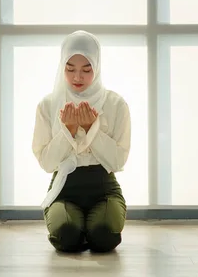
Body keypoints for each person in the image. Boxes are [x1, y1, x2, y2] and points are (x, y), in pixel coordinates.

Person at [32, 30, 131, 253]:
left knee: (105, 237)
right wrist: (67, 130)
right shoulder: (48, 105)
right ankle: (79, 229)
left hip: (103, 186)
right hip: (64, 188)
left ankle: (91, 229)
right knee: (66, 236)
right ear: (61, 67)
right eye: (70, 69)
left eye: (86, 70)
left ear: (97, 67)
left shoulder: (116, 104)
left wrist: (90, 129)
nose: (78, 77)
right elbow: (47, 164)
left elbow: (117, 162)